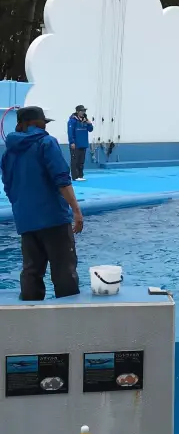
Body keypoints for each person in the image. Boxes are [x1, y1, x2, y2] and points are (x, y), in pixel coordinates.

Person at [0, 106, 84, 300]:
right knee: (64, 273)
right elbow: (62, 180)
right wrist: (76, 211)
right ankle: (69, 325)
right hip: (54, 219)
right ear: (35, 123)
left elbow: (8, 187)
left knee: (31, 273)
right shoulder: (46, 143)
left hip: (26, 223)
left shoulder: (8, 152)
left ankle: (28, 323)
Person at [67, 104, 93, 181]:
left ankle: (80, 175)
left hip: (83, 144)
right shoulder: (72, 120)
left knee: (81, 161)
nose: (83, 112)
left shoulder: (85, 120)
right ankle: (75, 177)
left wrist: (89, 123)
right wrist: (72, 142)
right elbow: (70, 132)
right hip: (75, 144)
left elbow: (90, 129)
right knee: (75, 160)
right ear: (77, 111)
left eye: (84, 111)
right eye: (82, 111)